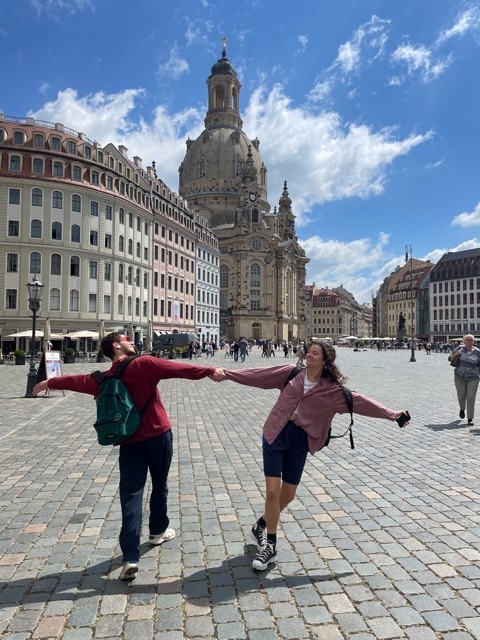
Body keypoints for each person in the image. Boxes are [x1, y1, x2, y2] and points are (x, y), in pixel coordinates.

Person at [33, 332, 223, 580]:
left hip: (129, 440)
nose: (132, 341)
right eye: (127, 339)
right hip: (158, 434)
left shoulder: (102, 378)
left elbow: (77, 381)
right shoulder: (144, 363)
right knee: (159, 484)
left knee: (131, 495)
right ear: (115, 345)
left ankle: (130, 557)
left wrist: (50, 383)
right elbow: (180, 369)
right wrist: (210, 370)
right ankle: (157, 532)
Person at [215, 341, 410, 571]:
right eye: (309, 351)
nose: (309, 354)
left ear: (325, 360)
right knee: (272, 491)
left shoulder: (333, 391)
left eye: (315, 353)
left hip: (300, 442)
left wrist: (392, 414)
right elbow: (259, 375)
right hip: (275, 434)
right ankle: (270, 546)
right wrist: (227, 374)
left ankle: (262, 525)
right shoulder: (291, 373)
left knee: (287, 495)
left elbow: (360, 402)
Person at [448, 334, 480, 425]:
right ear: (464, 341)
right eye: (468, 339)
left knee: (471, 397)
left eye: (471, 340)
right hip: (459, 376)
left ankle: (470, 418)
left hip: (473, 377)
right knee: (461, 395)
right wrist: (456, 354)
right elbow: (450, 359)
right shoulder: (459, 348)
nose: (470, 341)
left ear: (474, 341)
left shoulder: (478, 352)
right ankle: (462, 408)